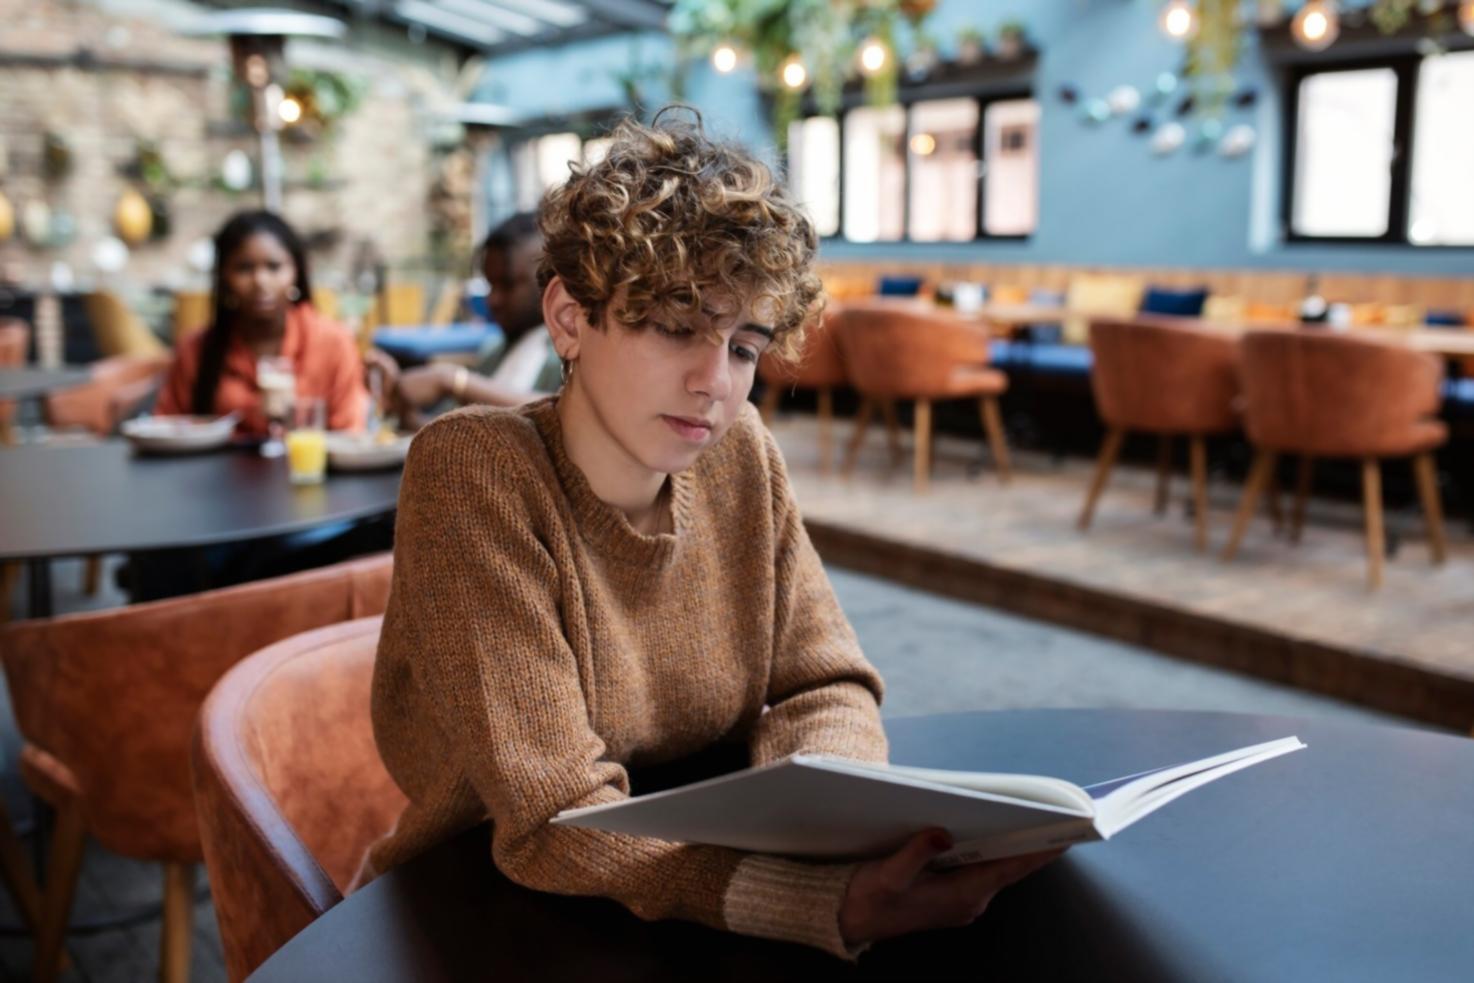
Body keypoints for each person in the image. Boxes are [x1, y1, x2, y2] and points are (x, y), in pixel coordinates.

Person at [360, 109, 1061, 959]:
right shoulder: (475, 473)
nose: (714, 383)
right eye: (676, 326)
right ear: (571, 316)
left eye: (744, 344)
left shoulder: (741, 458)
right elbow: (552, 816)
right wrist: (817, 897)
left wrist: (835, 822)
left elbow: (825, 683)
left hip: (708, 887)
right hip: (490, 912)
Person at [157, 210, 367, 435]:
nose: (260, 281)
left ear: (296, 272)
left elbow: (349, 431)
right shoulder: (196, 349)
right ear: (224, 277)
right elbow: (166, 429)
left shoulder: (333, 342)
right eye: (244, 268)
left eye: (274, 267)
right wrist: (249, 416)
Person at [381, 212, 561, 426]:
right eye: (490, 285)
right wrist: (401, 404)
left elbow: (558, 413)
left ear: (549, 282)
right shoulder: (493, 352)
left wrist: (454, 381)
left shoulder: (566, 354)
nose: (493, 300)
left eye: (507, 284)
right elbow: (448, 438)